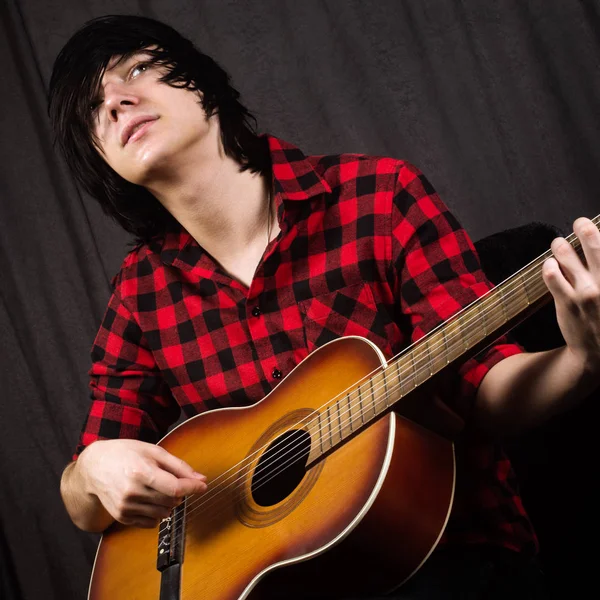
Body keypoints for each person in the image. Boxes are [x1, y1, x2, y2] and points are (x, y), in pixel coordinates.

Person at [49, 14, 599, 600]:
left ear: (202, 84)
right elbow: (86, 503)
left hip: (444, 557)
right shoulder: (138, 296)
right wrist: (92, 470)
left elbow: (481, 389)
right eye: (94, 110)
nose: (116, 103)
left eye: (137, 69)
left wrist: (583, 362)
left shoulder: (379, 195)